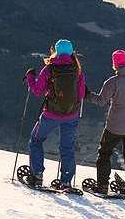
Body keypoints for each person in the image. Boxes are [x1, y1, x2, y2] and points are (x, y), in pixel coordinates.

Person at [23, 38, 86, 189]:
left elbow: (38, 91)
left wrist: (30, 78)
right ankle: (65, 181)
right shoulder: (77, 70)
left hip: (51, 114)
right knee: (67, 147)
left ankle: (37, 175)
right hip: (71, 115)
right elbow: (81, 94)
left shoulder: (50, 69)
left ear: (56, 52)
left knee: (36, 140)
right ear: (72, 53)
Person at [86, 49, 125, 196]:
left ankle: (102, 186)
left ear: (115, 64)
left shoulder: (112, 82)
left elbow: (101, 101)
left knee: (104, 153)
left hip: (114, 126)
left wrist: (87, 95)